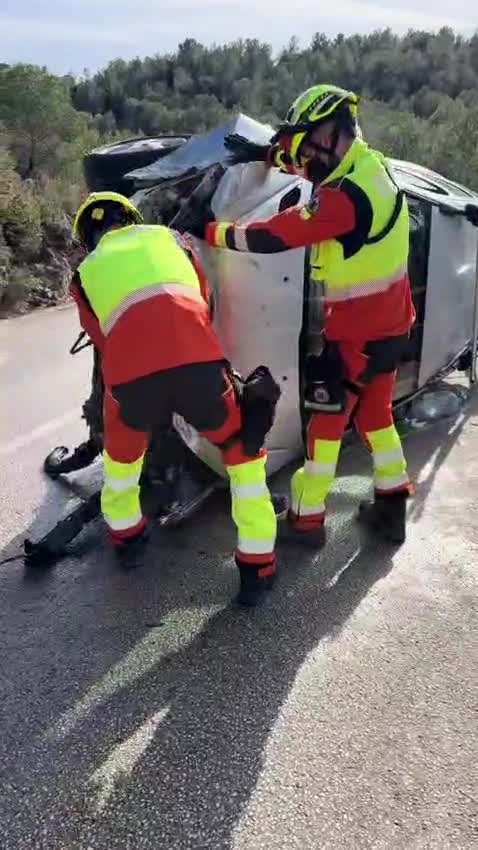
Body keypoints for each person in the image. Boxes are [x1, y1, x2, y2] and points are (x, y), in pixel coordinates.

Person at [193, 84, 416, 546]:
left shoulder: (343, 198)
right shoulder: (372, 167)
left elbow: (274, 237)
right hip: (393, 324)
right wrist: (269, 153)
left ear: (330, 133)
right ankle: (393, 509)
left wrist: (211, 231)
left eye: (306, 141)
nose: (303, 156)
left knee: (326, 426)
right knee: (376, 417)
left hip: (356, 334)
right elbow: (307, 166)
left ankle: (306, 520)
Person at [70, 190, 279, 606]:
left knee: (122, 463)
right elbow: (203, 300)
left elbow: (101, 339)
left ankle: (128, 540)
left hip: (131, 381)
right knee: (244, 456)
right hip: (198, 368)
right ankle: (258, 567)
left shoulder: (84, 273)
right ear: (130, 217)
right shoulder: (172, 240)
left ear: (88, 237)